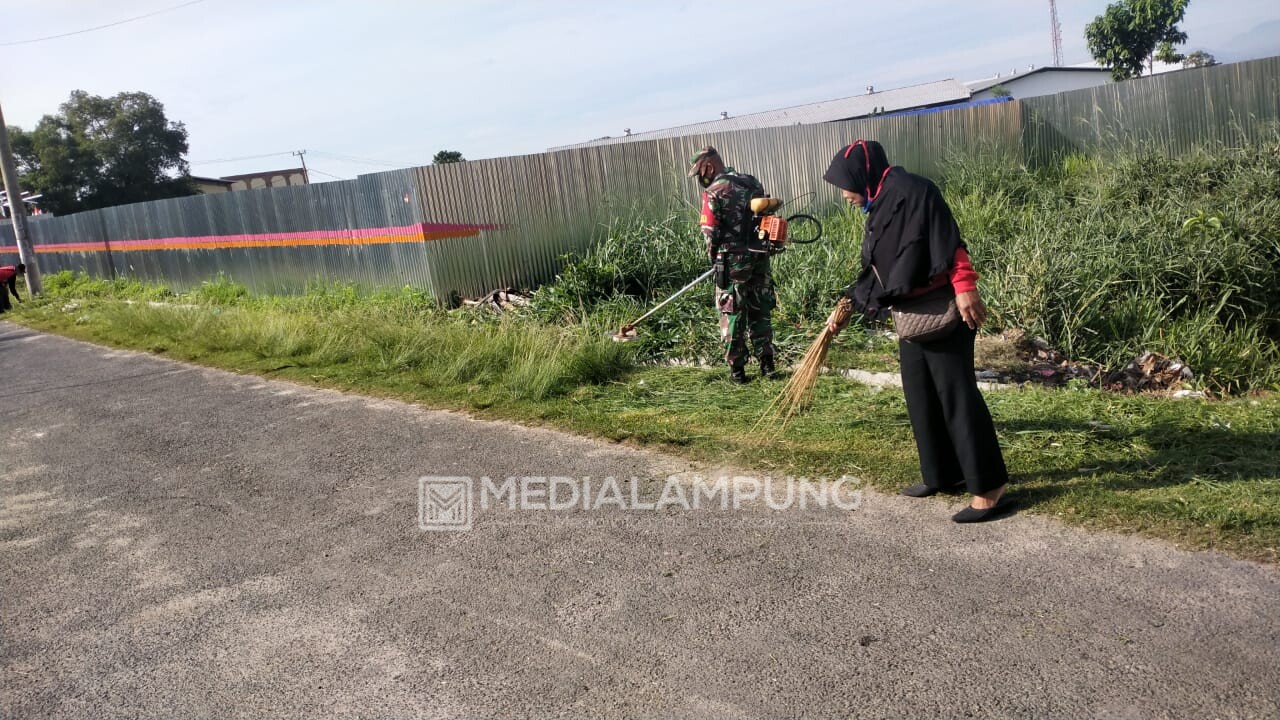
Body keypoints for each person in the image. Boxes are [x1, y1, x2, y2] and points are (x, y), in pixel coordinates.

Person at [822, 140, 1010, 523]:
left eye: (846, 185)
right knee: (920, 395)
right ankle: (941, 474)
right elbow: (881, 270)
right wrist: (848, 305)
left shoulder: (916, 191)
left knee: (957, 397)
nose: (844, 196)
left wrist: (965, 287)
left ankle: (989, 489)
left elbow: (949, 242)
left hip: (942, 311)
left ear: (864, 174)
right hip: (910, 315)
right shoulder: (881, 203)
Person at [688, 146, 776, 384]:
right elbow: (766, 216)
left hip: (730, 263)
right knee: (761, 309)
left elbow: (710, 234)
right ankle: (768, 365)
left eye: (700, 173)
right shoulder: (751, 182)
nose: (701, 178)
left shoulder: (714, 192)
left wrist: (714, 260)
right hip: (759, 257)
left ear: (709, 166)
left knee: (732, 314)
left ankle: (738, 372)